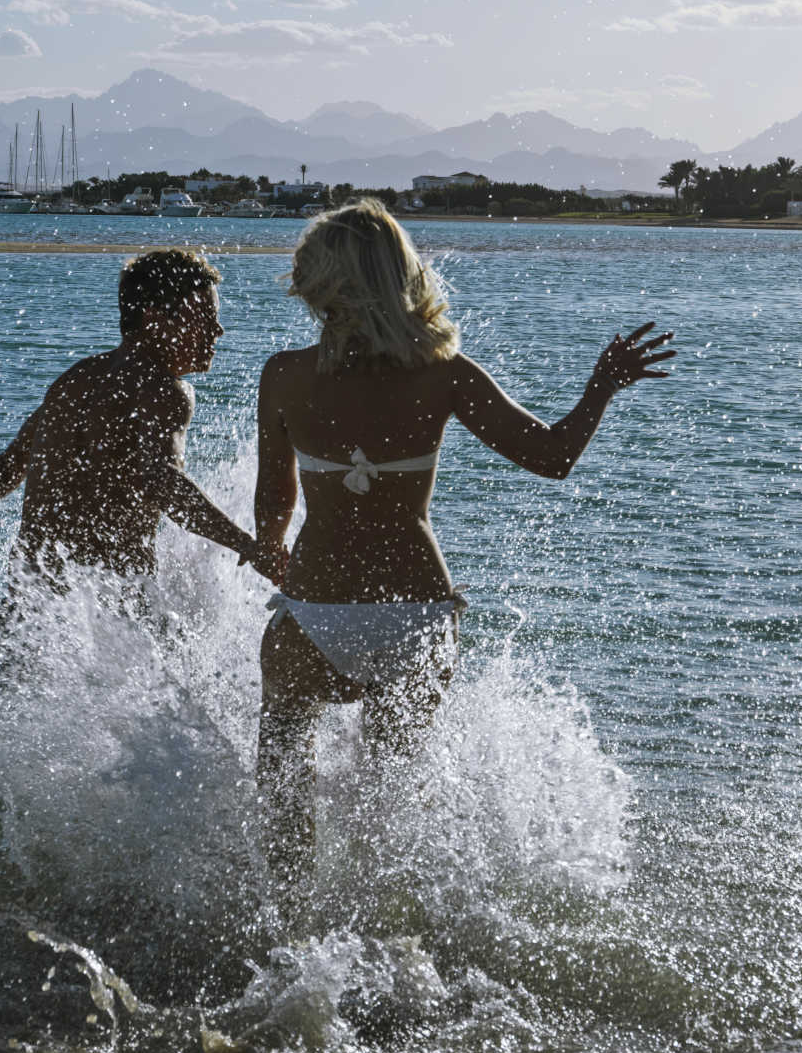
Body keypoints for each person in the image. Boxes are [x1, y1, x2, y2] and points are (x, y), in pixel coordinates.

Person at [250, 199, 674, 884]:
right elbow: (552, 456)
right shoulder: (444, 375)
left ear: (321, 282)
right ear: (399, 278)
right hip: (414, 617)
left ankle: (289, 926)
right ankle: (386, 937)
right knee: (390, 802)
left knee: (282, 774)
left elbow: (273, 504)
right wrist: (600, 387)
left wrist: (270, 547)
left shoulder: (284, 375)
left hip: (315, 609)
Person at [0, 249, 284, 683]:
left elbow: (10, 465)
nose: (218, 330)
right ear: (155, 319)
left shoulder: (77, 379)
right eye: (203, 317)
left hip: (22, 620)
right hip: (104, 624)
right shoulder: (165, 390)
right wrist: (247, 545)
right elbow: (161, 481)